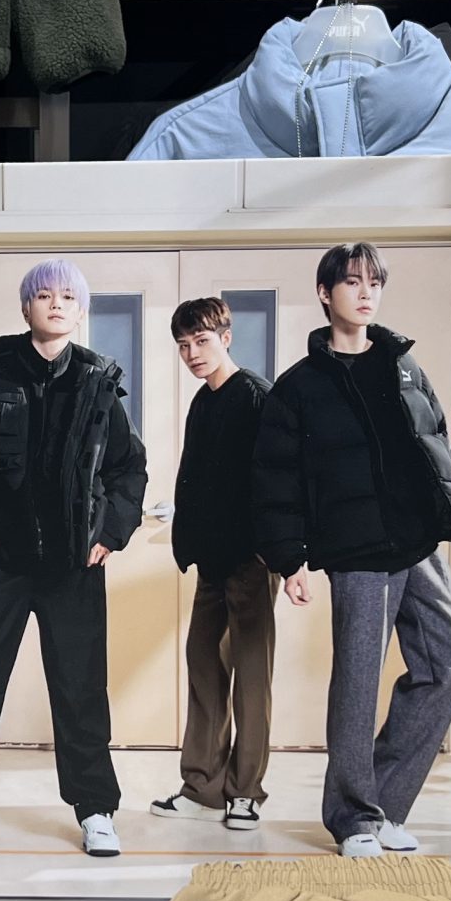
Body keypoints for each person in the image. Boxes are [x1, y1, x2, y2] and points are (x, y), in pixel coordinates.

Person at [0, 258, 147, 859]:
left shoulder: (97, 380)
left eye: (68, 296)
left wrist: (108, 532)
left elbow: (127, 469)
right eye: (44, 295)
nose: (56, 303)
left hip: (73, 563)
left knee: (80, 688)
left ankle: (95, 810)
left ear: (81, 310)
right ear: (26, 307)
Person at [252, 242, 451, 858]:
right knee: (357, 683)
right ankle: (351, 819)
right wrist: (288, 559)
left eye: (374, 281)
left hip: (417, 543)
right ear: (325, 294)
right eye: (352, 282)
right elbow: (275, 479)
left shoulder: (404, 366)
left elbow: (434, 437)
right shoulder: (299, 387)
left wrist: (447, 502)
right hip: (357, 553)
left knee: (449, 661)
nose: (366, 292)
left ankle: (385, 806)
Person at [152, 297, 274, 831]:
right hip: (211, 561)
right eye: (183, 346)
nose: (192, 354)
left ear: (226, 337)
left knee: (251, 678)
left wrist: (275, 554)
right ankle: (201, 786)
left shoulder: (256, 396)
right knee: (203, 665)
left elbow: (276, 482)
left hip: (251, 559)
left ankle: (245, 792)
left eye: (201, 341)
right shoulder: (204, 402)